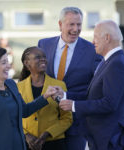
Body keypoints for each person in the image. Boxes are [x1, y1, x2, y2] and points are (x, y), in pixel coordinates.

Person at [59, 20, 124, 150]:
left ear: (107, 38)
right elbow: (93, 95)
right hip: (102, 137)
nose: (93, 42)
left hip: (110, 139)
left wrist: (74, 105)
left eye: (95, 37)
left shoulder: (117, 64)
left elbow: (109, 103)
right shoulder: (109, 60)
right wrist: (64, 95)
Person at [38, 6, 101, 150]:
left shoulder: (93, 50)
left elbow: (95, 89)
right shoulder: (43, 44)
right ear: (60, 24)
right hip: (47, 121)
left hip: (76, 124)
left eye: (79, 24)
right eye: (71, 24)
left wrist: (66, 96)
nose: (76, 29)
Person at [0, 47, 57, 150]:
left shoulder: (11, 84)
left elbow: (25, 110)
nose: (8, 66)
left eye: (8, 61)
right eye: (4, 63)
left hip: (19, 145)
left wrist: (45, 96)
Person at [17, 46, 72, 150]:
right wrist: (26, 135)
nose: (43, 59)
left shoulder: (59, 85)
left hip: (54, 143)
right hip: (27, 144)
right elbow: (14, 118)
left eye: (44, 57)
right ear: (27, 63)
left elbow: (67, 118)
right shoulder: (18, 87)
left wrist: (47, 133)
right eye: (38, 57)